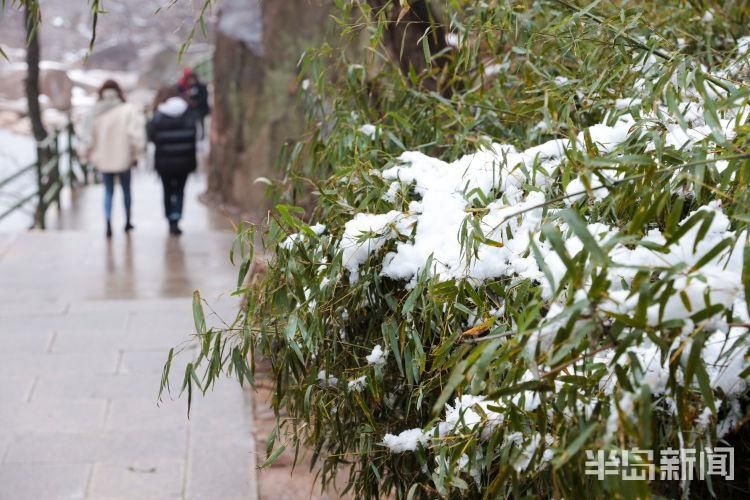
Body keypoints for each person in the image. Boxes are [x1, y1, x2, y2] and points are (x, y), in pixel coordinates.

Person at [82, 79, 145, 238]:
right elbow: (135, 135)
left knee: (108, 191)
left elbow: (88, 137)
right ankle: (128, 221)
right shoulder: (127, 110)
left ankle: (108, 222)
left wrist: (86, 153)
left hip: (104, 159)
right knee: (126, 191)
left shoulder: (95, 112)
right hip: (124, 158)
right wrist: (137, 154)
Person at [147, 85, 198, 236]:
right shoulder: (188, 111)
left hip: (164, 162)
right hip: (185, 160)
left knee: (167, 190)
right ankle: (177, 218)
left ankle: (170, 219)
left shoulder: (158, 114)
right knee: (180, 190)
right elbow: (195, 134)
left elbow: (152, 137)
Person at [178, 68, 210, 139]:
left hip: (201, 107)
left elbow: (204, 96)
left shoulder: (201, 86)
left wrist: (197, 102)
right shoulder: (189, 87)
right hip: (193, 108)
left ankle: (202, 135)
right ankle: (197, 135)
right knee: (194, 122)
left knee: (201, 122)